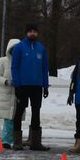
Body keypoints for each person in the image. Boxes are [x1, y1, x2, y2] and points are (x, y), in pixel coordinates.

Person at [10, 23, 51, 151]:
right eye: (30, 31)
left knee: (36, 112)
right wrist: (17, 85)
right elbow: (14, 67)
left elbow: (45, 68)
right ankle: (17, 142)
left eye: (34, 31)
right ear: (26, 33)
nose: (32, 33)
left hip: (37, 86)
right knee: (19, 111)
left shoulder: (41, 48)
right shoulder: (19, 47)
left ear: (37, 33)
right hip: (23, 85)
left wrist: (45, 85)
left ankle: (35, 143)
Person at [0, 38, 22, 148]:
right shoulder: (3, 61)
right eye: (13, 49)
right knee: (8, 119)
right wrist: (6, 81)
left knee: (16, 118)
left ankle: (16, 140)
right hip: (6, 94)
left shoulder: (23, 62)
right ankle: (6, 140)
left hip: (18, 93)